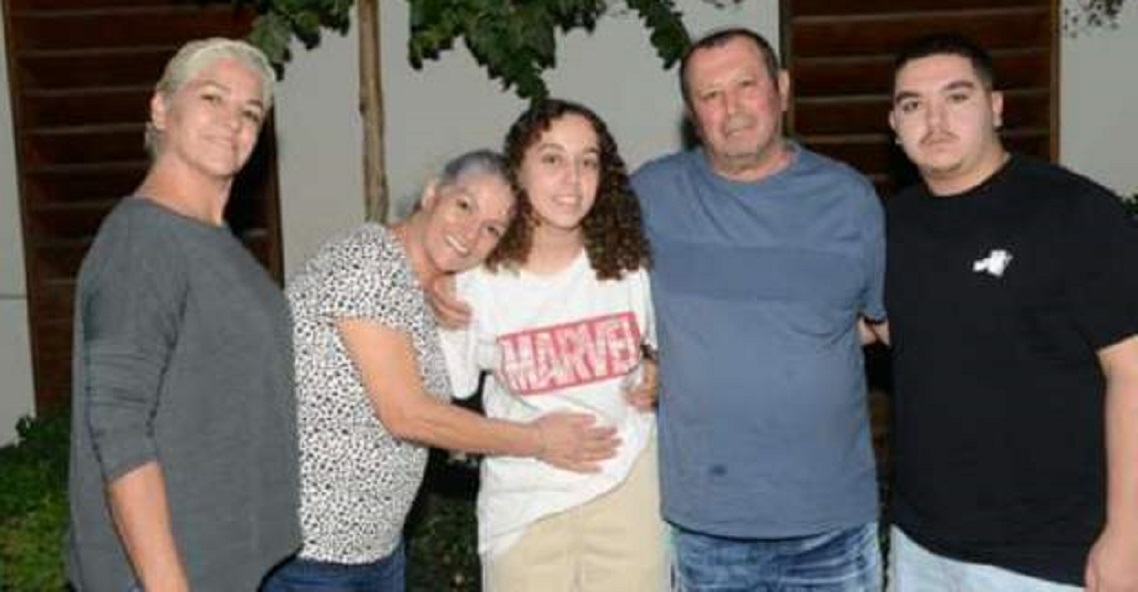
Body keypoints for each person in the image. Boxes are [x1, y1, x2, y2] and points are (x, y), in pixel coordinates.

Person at [261, 149, 621, 591]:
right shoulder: (367, 261)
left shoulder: (421, 286)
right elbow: (407, 415)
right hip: (309, 553)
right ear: (433, 193)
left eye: (492, 229)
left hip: (375, 550)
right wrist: (538, 440)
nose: (470, 234)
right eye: (464, 205)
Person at [872, 33, 1138, 591]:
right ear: (895, 125)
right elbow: (874, 327)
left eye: (957, 97)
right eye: (913, 105)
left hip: (1049, 558)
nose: (935, 120)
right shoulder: (891, 225)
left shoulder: (1074, 212)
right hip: (921, 548)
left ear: (995, 107)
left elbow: (1132, 371)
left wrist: (1127, 535)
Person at [630, 27, 886, 590]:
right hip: (707, 527)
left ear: (782, 88)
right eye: (711, 95)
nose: (732, 109)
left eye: (746, 85)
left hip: (832, 523)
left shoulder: (848, 199)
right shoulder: (651, 195)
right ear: (693, 113)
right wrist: (446, 278)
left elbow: (881, 323)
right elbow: (567, 271)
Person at [66, 38, 299, 591]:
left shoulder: (214, 242)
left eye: (250, 112)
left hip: (230, 566)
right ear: (160, 108)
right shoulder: (145, 240)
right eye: (212, 98)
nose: (232, 121)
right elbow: (120, 430)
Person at [437, 99, 665, 591]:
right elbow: (445, 399)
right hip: (523, 502)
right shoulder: (476, 284)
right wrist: (431, 284)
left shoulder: (629, 268)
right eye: (552, 159)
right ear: (517, 171)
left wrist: (658, 370)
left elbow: (673, 353)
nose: (572, 179)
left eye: (588, 162)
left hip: (626, 486)